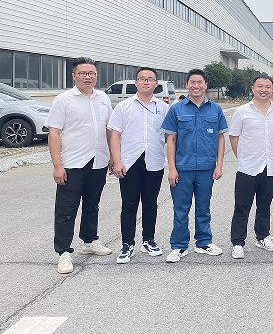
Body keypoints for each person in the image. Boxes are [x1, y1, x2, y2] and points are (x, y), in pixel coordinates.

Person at [45, 57, 113, 274]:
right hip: (72, 163)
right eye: (83, 73)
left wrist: (113, 156)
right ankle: (64, 252)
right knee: (66, 209)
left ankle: (90, 241)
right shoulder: (63, 100)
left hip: (98, 161)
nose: (87, 77)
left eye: (91, 73)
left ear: (96, 75)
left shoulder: (103, 98)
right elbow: (54, 133)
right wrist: (58, 165)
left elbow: (109, 129)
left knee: (92, 204)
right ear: (74, 75)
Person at [160, 69, 228, 262]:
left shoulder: (215, 109)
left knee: (203, 208)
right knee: (181, 209)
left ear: (205, 85)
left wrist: (219, 165)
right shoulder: (176, 109)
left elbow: (220, 138)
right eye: (192, 82)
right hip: (183, 168)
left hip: (206, 168)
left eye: (199, 82)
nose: (196, 86)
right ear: (187, 85)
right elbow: (171, 140)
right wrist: (172, 168)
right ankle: (179, 246)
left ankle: (203, 242)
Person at [107, 67, 169, 263]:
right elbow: (115, 134)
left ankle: (148, 240)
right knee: (129, 204)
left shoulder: (163, 108)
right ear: (136, 83)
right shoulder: (123, 107)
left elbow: (170, 137)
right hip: (129, 162)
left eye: (150, 79)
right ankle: (127, 244)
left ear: (156, 84)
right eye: (142, 78)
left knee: (150, 203)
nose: (146, 82)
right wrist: (117, 161)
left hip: (154, 161)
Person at [228, 74, 273, 259]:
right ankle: (237, 242)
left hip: (269, 167)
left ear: (272, 89)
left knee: (264, 205)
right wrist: (242, 157)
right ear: (252, 89)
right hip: (247, 168)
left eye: (267, 86)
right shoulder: (242, 111)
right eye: (260, 86)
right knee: (242, 207)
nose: (263, 90)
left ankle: (263, 236)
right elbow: (234, 136)